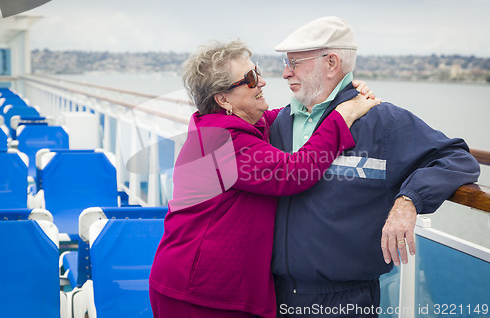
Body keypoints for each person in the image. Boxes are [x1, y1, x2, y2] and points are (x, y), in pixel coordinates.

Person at [149, 39, 380, 318]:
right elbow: (294, 172)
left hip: (210, 287)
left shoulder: (245, 124)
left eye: (256, 71)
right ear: (223, 99)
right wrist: (345, 114)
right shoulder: (222, 142)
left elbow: (292, 116)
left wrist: (340, 93)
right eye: (249, 79)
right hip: (196, 293)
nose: (262, 82)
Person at [269, 16, 481, 317]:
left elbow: (456, 157)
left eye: (294, 62)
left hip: (344, 303)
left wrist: (409, 200)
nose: (285, 72)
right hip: (274, 297)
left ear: (331, 63)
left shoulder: (383, 123)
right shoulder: (281, 123)